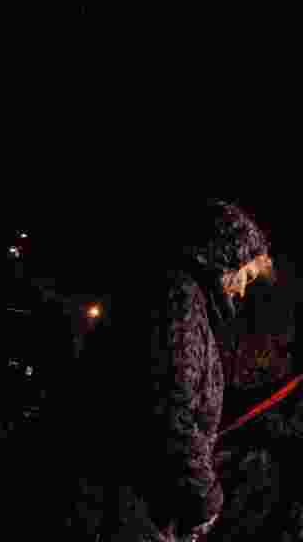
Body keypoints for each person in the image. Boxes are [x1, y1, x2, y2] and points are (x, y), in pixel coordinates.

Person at [70, 201, 275, 542]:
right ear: (225, 258)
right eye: (246, 276)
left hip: (131, 501)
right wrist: (206, 498)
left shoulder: (182, 299)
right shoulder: (178, 301)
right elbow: (169, 411)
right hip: (126, 504)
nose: (242, 291)